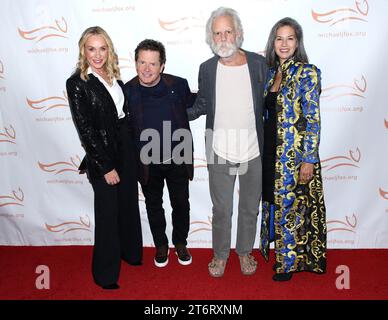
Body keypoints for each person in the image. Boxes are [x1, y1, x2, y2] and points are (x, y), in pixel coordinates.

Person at [187, 7, 268, 277]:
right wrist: (169, 109)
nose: (223, 38)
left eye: (228, 31)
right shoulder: (207, 69)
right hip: (219, 151)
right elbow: (199, 106)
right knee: (222, 209)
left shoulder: (258, 64)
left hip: (253, 150)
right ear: (211, 37)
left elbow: (271, 103)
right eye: (217, 33)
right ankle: (220, 255)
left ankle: (244, 252)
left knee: (249, 207)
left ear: (238, 33)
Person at [66, 26, 143, 289]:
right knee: (108, 214)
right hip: (103, 152)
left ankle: (130, 254)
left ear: (108, 49)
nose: (97, 54)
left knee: (128, 204)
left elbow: (123, 116)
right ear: (83, 51)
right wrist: (106, 166)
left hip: (125, 147)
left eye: (102, 48)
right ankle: (105, 274)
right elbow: (85, 130)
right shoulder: (77, 83)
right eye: (91, 49)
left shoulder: (115, 78)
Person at [259, 17, 327, 281]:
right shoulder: (271, 74)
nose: (284, 44)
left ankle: (288, 264)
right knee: (274, 202)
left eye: (289, 38)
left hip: (294, 156)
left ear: (297, 43)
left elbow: (313, 119)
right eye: (279, 38)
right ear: (272, 42)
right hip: (270, 153)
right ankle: (279, 254)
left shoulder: (307, 72)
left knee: (292, 207)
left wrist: (309, 159)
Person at [124, 39, 196, 268]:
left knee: (181, 204)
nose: (147, 69)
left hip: (178, 157)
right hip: (147, 162)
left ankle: (181, 243)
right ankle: (161, 246)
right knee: (153, 206)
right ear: (136, 63)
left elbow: (198, 104)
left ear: (162, 65)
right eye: (142, 62)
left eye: (153, 64)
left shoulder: (179, 85)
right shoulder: (127, 91)